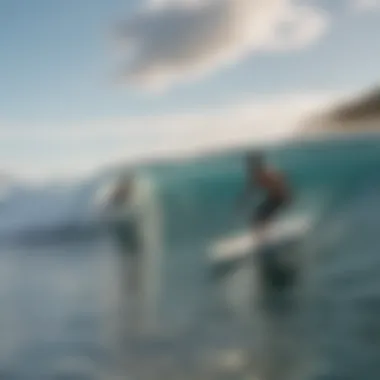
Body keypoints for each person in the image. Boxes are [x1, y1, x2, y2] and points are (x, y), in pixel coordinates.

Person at [238, 152, 291, 239]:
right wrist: (243, 199)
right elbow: (251, 188)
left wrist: (286, 194)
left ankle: (266, 236)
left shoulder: (266, 172)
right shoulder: (256, 173)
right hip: (273, 198)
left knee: (260, 217)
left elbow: (281, 179)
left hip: (280, 198)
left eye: (251, 163)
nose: (249, 165)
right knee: (257, 218)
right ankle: (263, 236)